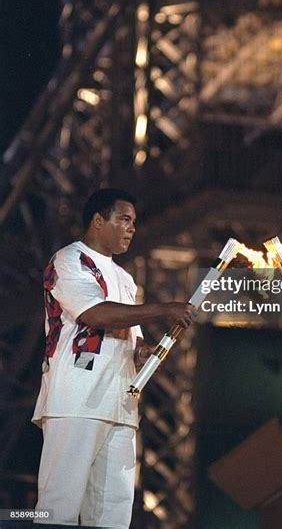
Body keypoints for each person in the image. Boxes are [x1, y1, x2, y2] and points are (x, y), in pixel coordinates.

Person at [32, 188, 194, 528]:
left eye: (134, 221)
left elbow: (126, 335)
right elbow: (97, 315)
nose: (132, 228)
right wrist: (164, 309)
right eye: (124, 219)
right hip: (76, 397)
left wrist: (141, 352)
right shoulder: (70, 260)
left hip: (120, 402)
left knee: (113, 513)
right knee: (58, 507)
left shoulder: (125, 278)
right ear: (97, 221)